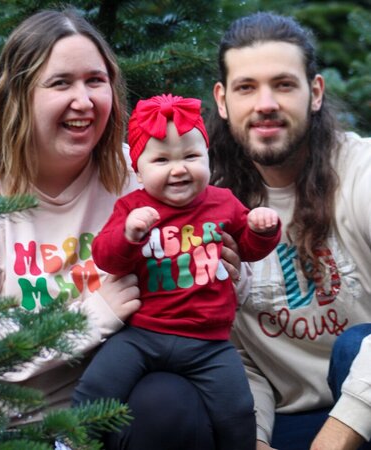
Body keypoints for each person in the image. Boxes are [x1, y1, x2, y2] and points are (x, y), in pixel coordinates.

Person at [0, 6, 239, 450]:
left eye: (95, 80)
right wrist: (92, 318)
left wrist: (216, 263)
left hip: (121, 405)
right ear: (19, 94)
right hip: (12, 429)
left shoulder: (138, 176)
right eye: (60, 83)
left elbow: (205, 243)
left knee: (171, 403)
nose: (84, 100)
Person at [72, 93, 281, 450]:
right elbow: (106, 258)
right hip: (143, 335)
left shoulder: (222, 202)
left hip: (209, 342)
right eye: (162, 160)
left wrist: (262, 231)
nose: (179, 168)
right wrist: (128, 235)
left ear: (208, 157)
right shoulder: (132, 207)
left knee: (238, 410)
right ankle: (71, 441)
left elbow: (246, 248)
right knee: (96, 387)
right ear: (138, 170)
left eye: (191, 156)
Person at [207, 11, 371, 450]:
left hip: (363, 409)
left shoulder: (362, 172)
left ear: (314, 92)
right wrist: (255, 441)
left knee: (355, 345)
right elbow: (236, 357)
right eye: (247, 87)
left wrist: (336, 438)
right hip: (287, 420)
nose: (265, 104)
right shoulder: (206, 204)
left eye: (283, 84)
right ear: (222, 101)